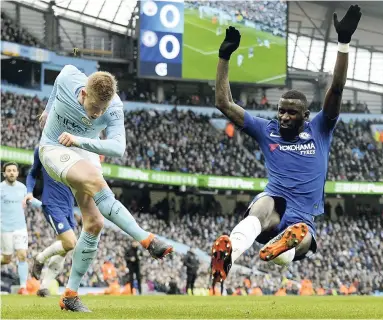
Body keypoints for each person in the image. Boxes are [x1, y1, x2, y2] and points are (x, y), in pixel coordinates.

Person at [210, 5, 362, 286]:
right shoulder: (266, 130)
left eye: (291, 112)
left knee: (301, 239)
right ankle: (228, 254)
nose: (283, 116)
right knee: (264, 203)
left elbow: (337, 88)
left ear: (306, 116)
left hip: (302, 215)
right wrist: (224, 56)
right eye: (281, 110)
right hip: (275, 205)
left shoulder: (320, 127)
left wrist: (343, 44)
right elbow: (224, 103)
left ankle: (282, 248)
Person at [38, 65, 173, 312]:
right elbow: (58, 82)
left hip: (83, 147)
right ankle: (146, 239)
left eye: (103, 108)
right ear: (83, 95)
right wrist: (47, 110)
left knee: (94, 224)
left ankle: (70, 295)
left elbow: (118, 148)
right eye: (94, 108)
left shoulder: (113, 107)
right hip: (54, 147)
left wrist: (80, 140)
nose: (98, 113)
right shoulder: (69, 76)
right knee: (96, 181)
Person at [23, 146, 77, 297]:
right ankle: (40, 258)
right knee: (71, 242)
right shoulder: (42, 149)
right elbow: (33, 173)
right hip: (52, 203)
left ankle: (43, 287)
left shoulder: (73, 147)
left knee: (65, 248)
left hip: (69, 206)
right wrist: (29, 192)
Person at [0, 162, 29, 295]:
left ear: (17, 173)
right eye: (9, 170)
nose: (11, 173)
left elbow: (29, 202)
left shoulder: (23, 188)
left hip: (20, 227)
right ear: (4, 173)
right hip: (5, 228)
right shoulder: (1, 188)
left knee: (22, 255)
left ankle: (23, 287)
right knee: (7, 259)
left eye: (14, 170)